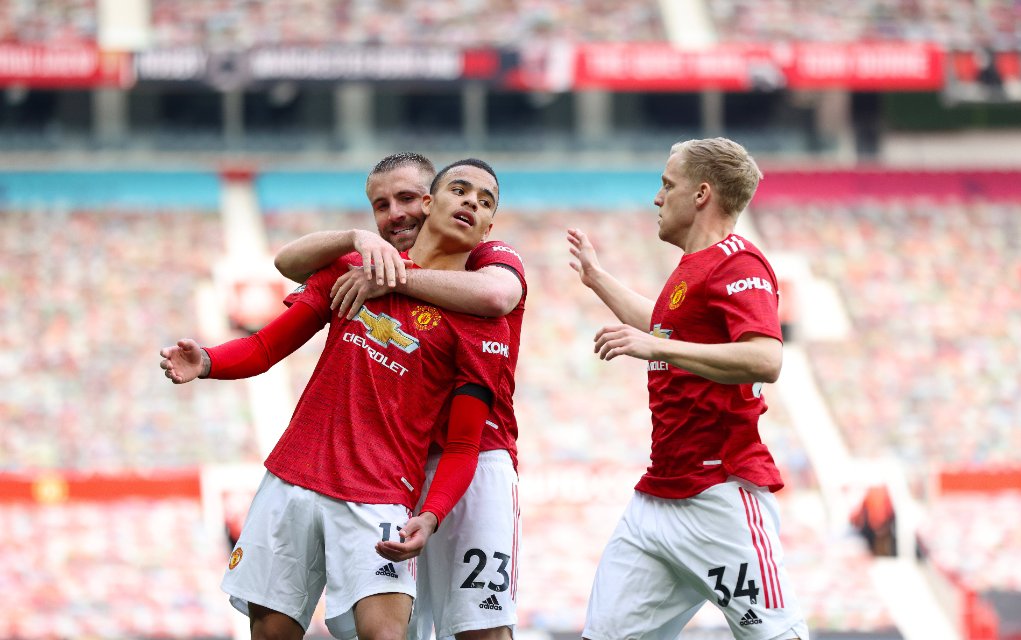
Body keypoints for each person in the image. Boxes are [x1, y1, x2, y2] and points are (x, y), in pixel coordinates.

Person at [159, 158, 511, 640]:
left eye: (484, 200)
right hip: (293, 477)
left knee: (385, 635)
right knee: (270, 632)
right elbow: (264, 346)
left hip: (381, 494)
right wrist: (208, 363)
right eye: (381, 205)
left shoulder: (480, 316)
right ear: (434, 203)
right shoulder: (353, 270)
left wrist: (431, 515)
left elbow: (463, 443)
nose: (470, 202)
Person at [274, 152, 526, 640]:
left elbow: (498, 297)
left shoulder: (489, 258)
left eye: (408, 199)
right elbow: (287, 265)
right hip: (392, 468)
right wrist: (358, 242)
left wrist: (392, 277)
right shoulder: (372, 264)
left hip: (476, 460)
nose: (399, 214)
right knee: (399, 629)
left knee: (481, 626)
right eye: (384, 205)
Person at [567, 137, 808, 640]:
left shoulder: (739, 262)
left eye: (666, 184)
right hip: (657, 497)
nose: (657, 197)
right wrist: (596, 278)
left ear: (701, 194)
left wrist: (659, 349)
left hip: (718, 496)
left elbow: (766, 358)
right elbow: (661, 328)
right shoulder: (690, 270)